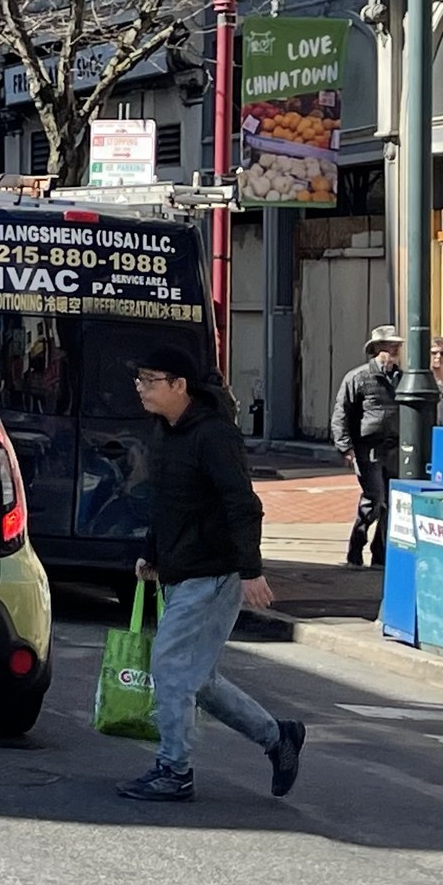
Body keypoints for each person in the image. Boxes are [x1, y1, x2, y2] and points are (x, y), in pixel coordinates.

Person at [116, 344, 305, 804]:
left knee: (171, 668)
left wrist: (250, 569)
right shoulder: (167, 429)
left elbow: (242, 503)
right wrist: (152, 553)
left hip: (214, 574)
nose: (141, 388)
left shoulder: (214, 435)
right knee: (198, 679)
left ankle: (174, 769)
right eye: (139, 380)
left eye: (150, 380)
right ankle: (277, 737)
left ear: (180, 386)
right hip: (182, 570)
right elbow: (168, 503)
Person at [330, 325, 405, 568]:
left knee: (392, 502)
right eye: (389, 348)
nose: (394, 352)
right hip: (368, 450)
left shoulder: (403, 379)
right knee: (375, 499)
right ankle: (357, 544)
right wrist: (345, 447)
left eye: (396, 348)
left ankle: (380, 552)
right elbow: (342, 413)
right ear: (377, 351)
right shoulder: (358, 377)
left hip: (395, 449)